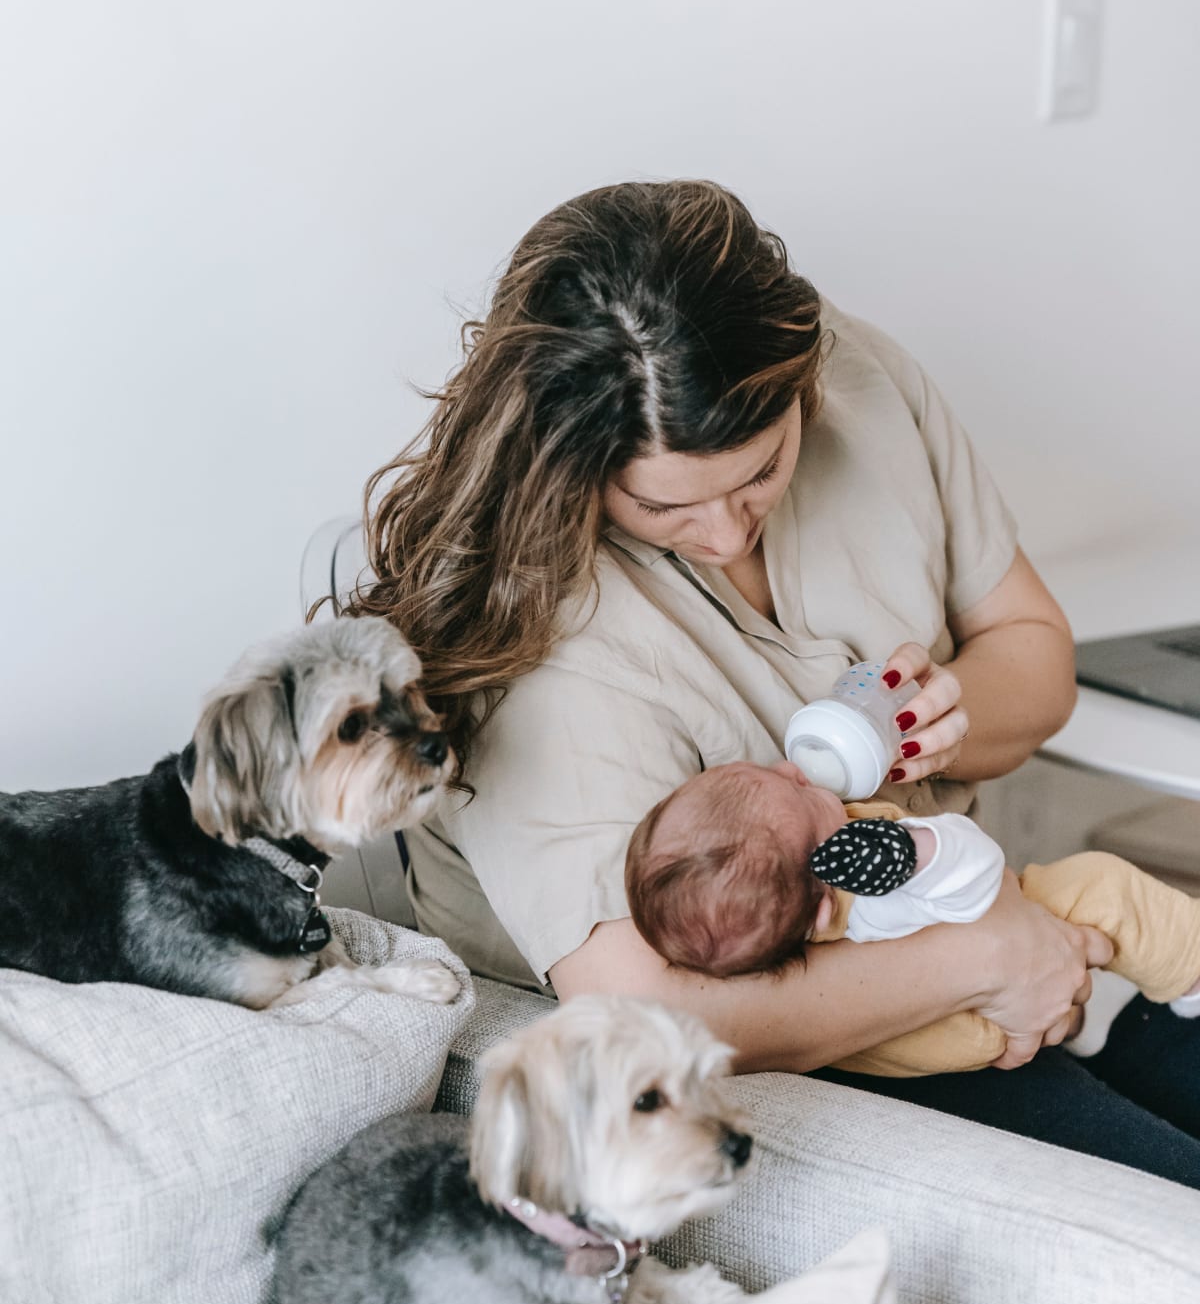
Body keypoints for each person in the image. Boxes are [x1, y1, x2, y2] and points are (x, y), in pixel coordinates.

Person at [351, 178, 1200, 1185]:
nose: (727, 531)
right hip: (788, 1052)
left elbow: (1033, 654)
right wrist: (995, 957)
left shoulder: (861, 381)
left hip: (974, 913)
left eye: (760, 472)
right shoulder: (526, 631)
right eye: (666, 506)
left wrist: (936, 730)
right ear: (570, 463)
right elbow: (644, 1008)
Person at [624, 758, 1200, 1074]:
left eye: (776, 775)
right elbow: (978, 877)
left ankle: (1091, 1026)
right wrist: (916, 851)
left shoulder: (788, 924)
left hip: (936, 1039)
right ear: (825, 907)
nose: (793, 770)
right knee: (1098, 883)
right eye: (799, 796)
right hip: (974, 1010)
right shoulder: (870, 889)